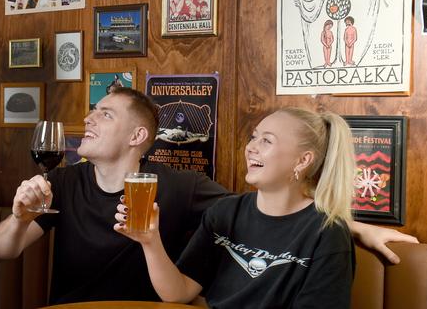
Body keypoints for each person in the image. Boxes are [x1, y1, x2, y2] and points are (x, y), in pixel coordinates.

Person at [0, 88, 417, 305]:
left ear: (138, 136)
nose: (88, 119)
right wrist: (20, 217)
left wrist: (350, 226)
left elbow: (282, 210)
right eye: (254, 138)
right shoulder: (63, 183)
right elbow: (2, 250)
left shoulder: (182, 187)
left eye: (105, 113)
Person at [114, 108, 362, 307]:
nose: (251, 147)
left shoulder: (327, 233)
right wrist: (150, 241)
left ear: (303, 160)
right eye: (254, 137)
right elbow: (178, 293)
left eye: (267, 141)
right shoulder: (225, 212)